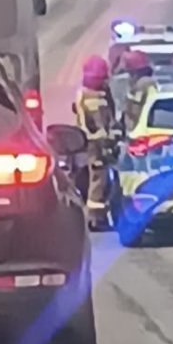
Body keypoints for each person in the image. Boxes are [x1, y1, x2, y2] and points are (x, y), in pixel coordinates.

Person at [71, 55, 115, 229]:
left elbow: (110, 117)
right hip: (93, 146)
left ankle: (101, 215)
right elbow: (84, 124)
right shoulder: (83, 95)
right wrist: (96, 141)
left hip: (105, 143)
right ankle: (94, 218)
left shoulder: (105, 92)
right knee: (98, 179)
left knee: (104, 179)